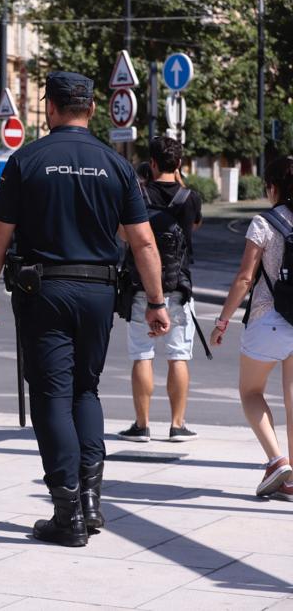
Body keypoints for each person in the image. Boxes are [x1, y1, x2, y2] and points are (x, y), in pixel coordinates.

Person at [0, 71, 169, 548]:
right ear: (94, 109)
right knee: (86, 389)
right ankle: (91, 501)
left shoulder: (28, 160)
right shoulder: (116, 165)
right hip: (100, 292)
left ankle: (67, 514)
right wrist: (157, 301)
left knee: (51, 396)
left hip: (44, 292)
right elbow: (142, 240)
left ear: (51, 108)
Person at [209, 156, 293, 499]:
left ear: (271, 187)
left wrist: (222, 320)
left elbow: (245, 278)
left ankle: (277, 461)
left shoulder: (263, 222)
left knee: (250, 392)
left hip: (268, 320)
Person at [118, 136, 202, 443]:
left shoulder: (137, 194)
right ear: (178, 164)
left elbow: (123, 235)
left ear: (151, 163)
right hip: (178, 287)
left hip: (142, 286)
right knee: (178, 355)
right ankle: (177, 425)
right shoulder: (190, 197)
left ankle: (142, 425)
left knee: (142, 355)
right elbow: (194, 227)